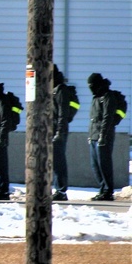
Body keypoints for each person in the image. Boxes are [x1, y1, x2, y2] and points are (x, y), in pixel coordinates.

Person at [87, 72, 121, 201]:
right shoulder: (95, 97)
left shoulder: (108, 96)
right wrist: (90, 135)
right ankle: (102, 189)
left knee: (104, 164)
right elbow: (93, 118)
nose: (91, 88)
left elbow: (107, 117)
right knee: (95, 165)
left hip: (103, 136)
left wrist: (103, 135)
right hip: (93, 135)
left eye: (92, 85)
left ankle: (108, 191)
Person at [51, 64, 79, 201]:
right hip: (51, 128)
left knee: (58, 161)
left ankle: (61, 191)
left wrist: (60, 132)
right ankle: (57, 189)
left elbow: (62, 113)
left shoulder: (60, 90)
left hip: (58, 129)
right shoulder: (52, 89)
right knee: (53, 161)